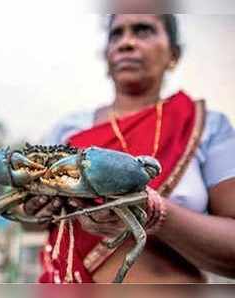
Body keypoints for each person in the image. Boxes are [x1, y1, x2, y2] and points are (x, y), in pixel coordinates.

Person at [23, 14, 235, 283]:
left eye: (143, 30)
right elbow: (29, 222)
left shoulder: (206, 126)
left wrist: (153, 213)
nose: (127, 43)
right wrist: (32, 209)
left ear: (173, 54)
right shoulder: (68, 129)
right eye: (116, 34)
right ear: (107, 56)